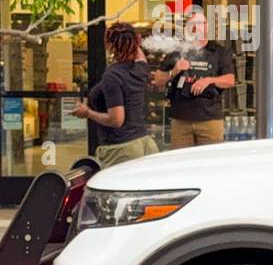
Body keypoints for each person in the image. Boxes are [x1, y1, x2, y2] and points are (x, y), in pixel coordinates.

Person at [72, 22, 158, 167]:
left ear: (110, 45)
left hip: (121, 150)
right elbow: (139, 55)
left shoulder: (113, 75)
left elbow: (116, 119)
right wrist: (132, 39)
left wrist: (87, 113)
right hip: (145, 144)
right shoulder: (141, 68)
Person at [151, 9, 236, 148]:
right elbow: (158, 79)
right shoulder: (178, 51)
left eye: (200, 23)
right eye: (192, 24)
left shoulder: (219, 52)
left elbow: (230, 80)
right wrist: (174, 71)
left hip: (209, 120)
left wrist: (208, 80)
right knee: (180, 164)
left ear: (207, 26)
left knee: (210, 163)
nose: (196, 28)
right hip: (181, 120)